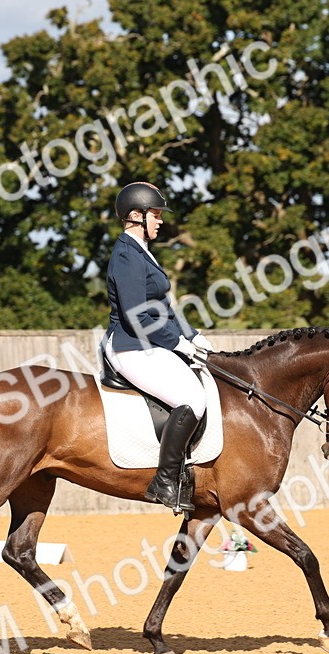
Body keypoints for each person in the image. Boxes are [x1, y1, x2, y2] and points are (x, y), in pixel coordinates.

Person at [101, 181, 214, 513]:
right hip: (131, 347)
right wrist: (176, 342)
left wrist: (192, 336)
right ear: (137, 215)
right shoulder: (126, 255)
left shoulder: (141, 251)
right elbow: (136, 313)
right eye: (156, 214)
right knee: (192, 399)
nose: (161, 220)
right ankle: (164, 482)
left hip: (148, 343)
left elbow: (164, 307)